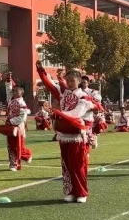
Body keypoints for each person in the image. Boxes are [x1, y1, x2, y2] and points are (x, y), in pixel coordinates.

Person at [36, 60, 94, 203]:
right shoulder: (63, 94)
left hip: (76, 134)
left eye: (72, 80)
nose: (69, 83)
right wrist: (41, 71)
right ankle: (70, 191)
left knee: (78, 165)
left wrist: (57, 114)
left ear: (79, 81)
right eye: (67, 80)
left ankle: (81, 192)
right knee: (66, 165)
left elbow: (76, 114)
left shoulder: (83, 97)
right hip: (64, 134)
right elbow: (50, 84)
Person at [3, 74, 33, 171]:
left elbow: (22, 117)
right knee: (10, 145)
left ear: (22, 93)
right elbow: (8, 90)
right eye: (14, 90)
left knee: (18, 146)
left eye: (17, 91)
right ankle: (13, 163)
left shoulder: (22, 103)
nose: (14, 92)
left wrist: (11, 121)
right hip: (10, 126)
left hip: (19, 127)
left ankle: (17, 163)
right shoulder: (11, 99)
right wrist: (8, 81)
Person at [80, 75, 103, 150]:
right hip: (79, 116)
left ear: (88, 83)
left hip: (88, 117)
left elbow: (98, 98)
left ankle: (93, 139)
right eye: (81, 82)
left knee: (87, 135)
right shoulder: (77, 91)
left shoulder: (92, 91)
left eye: (84, 82)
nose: (82, 84)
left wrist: (91, 100)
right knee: (80, 135)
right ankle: (84, 151)